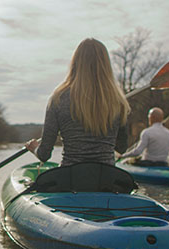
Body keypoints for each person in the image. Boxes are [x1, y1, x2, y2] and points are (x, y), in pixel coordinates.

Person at [25, 38, 131, 166]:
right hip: (106, 179)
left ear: (75, 63)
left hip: (70, 178)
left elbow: (44, 155)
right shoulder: (118, 102)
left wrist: (34, 148)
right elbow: (121, 148)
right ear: (105, 65)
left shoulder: (58, 98)